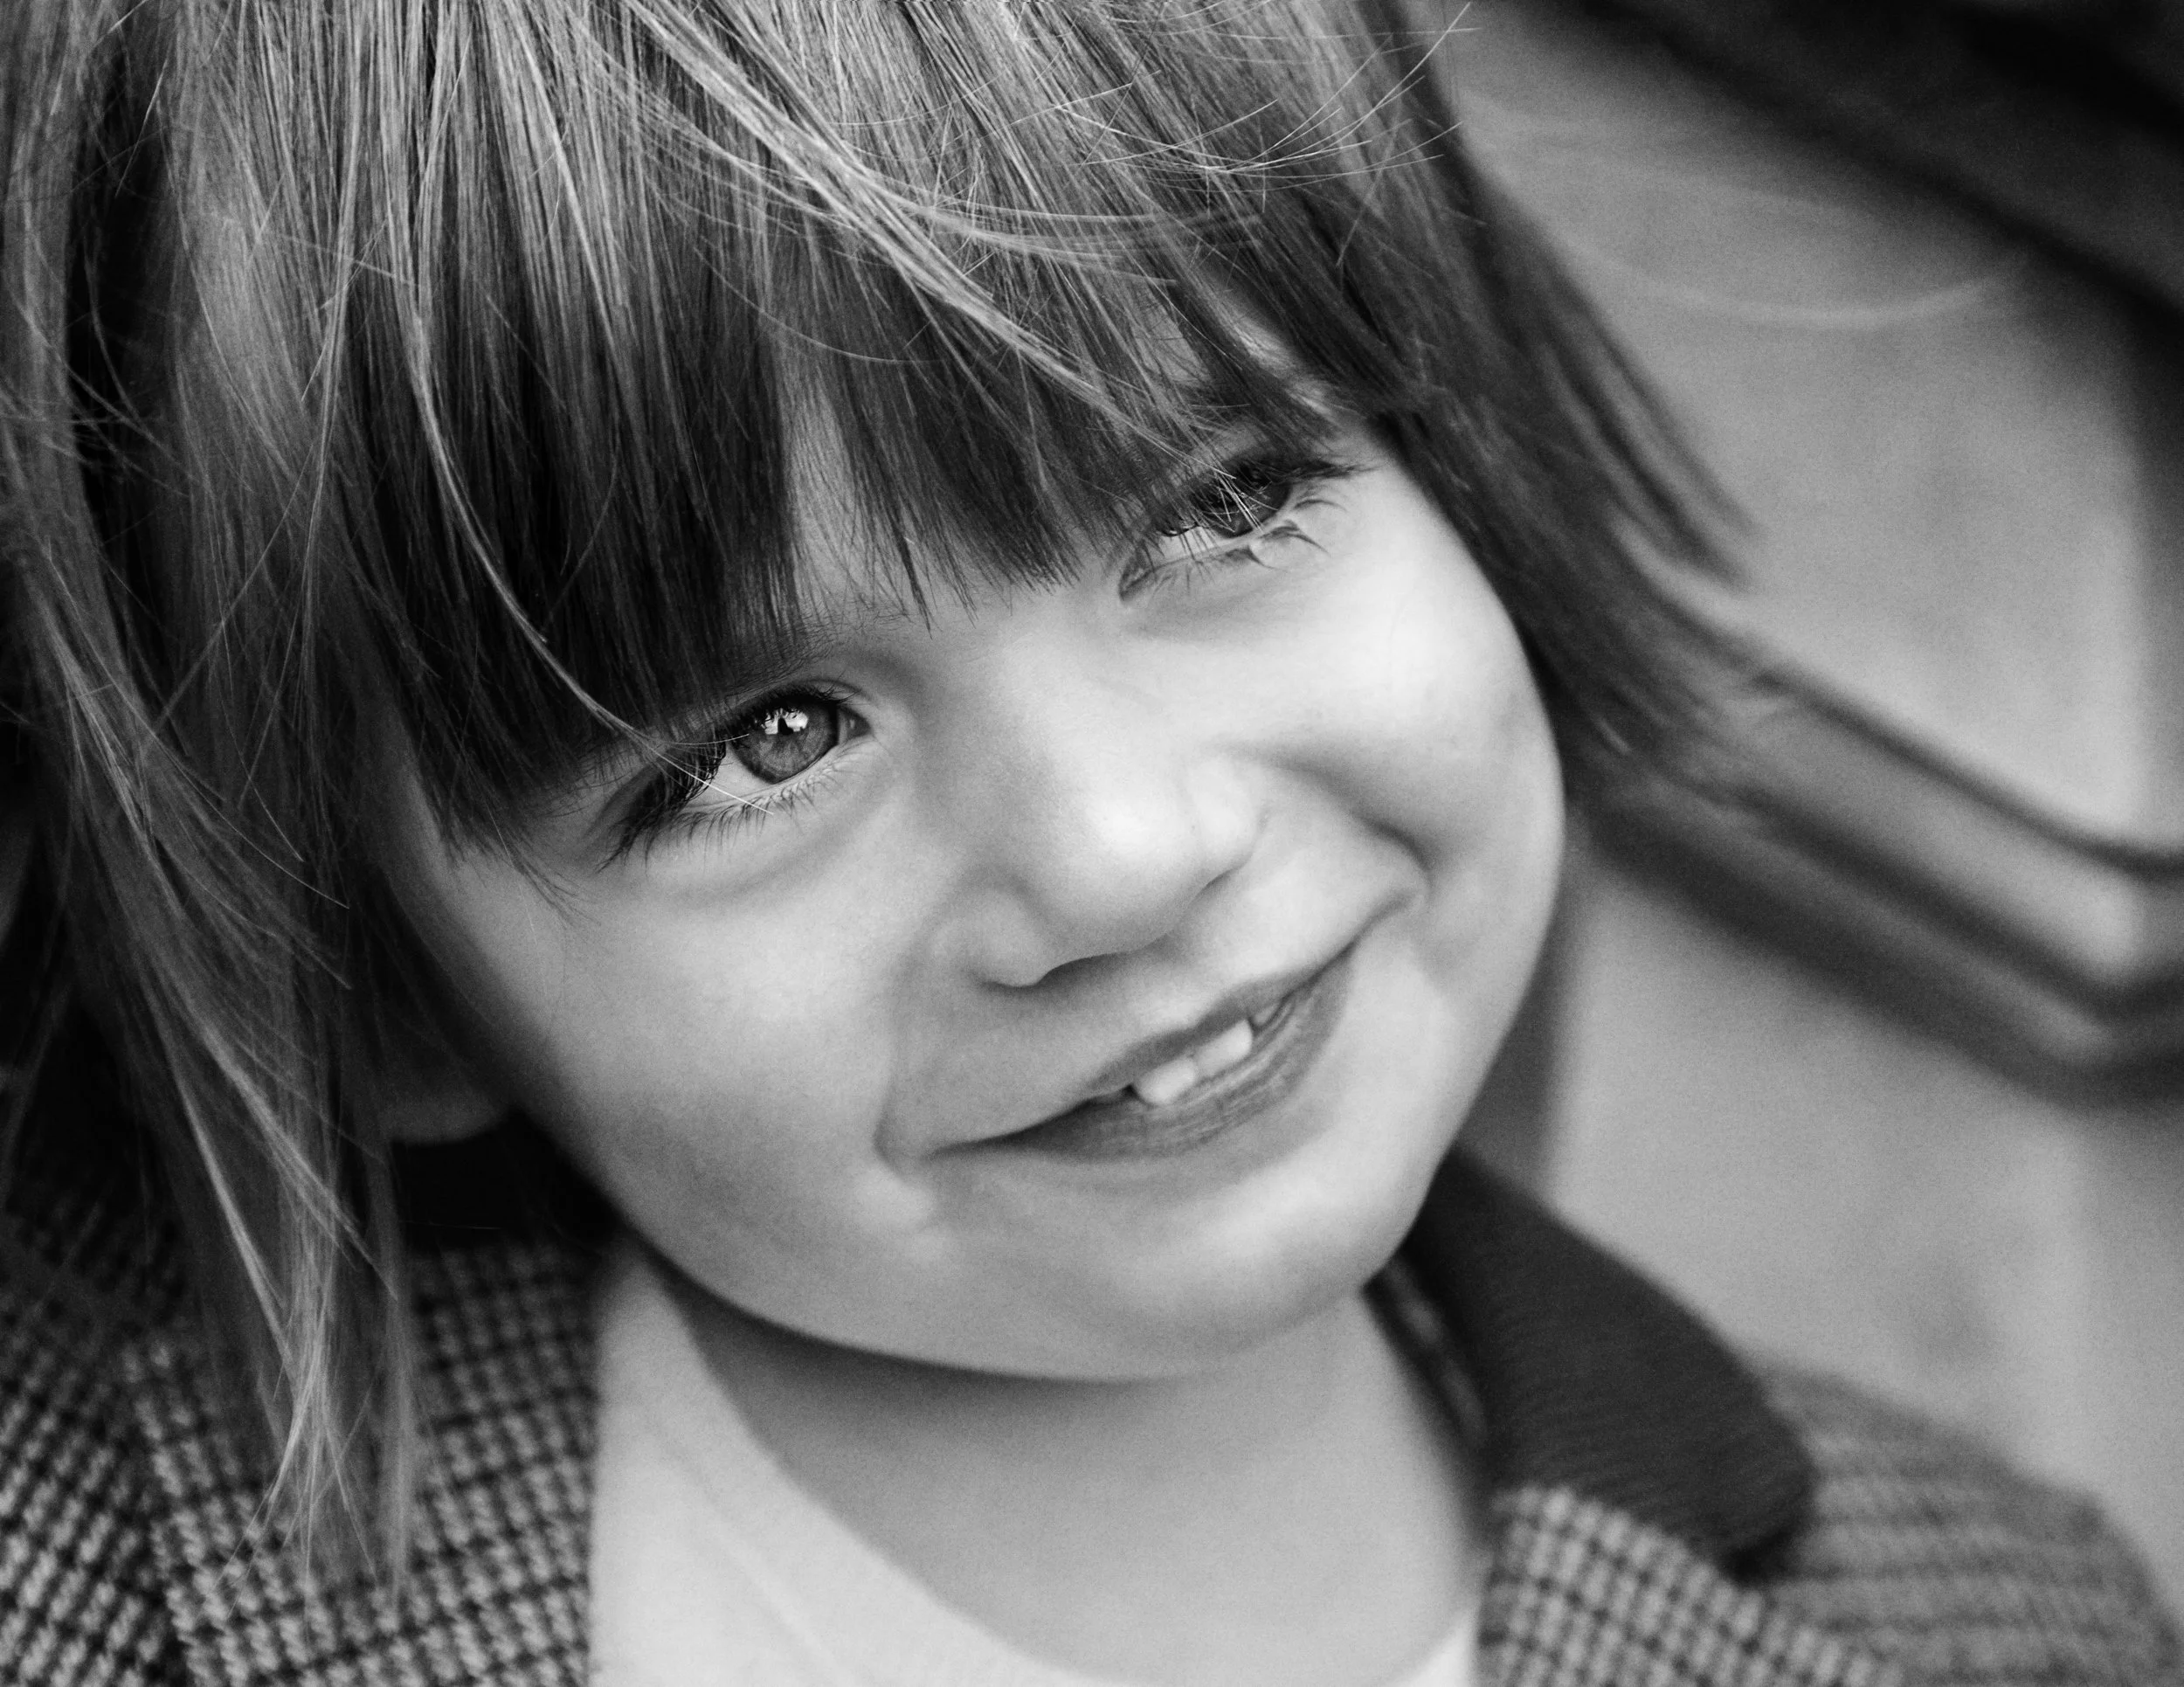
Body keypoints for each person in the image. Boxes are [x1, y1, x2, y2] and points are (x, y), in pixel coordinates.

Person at [0, 1, 2174, 1683]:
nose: (1125, 848)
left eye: (1217, 501)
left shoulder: (1992, 1626)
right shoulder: (64, 1559)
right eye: (766, 738)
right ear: (382, 989)